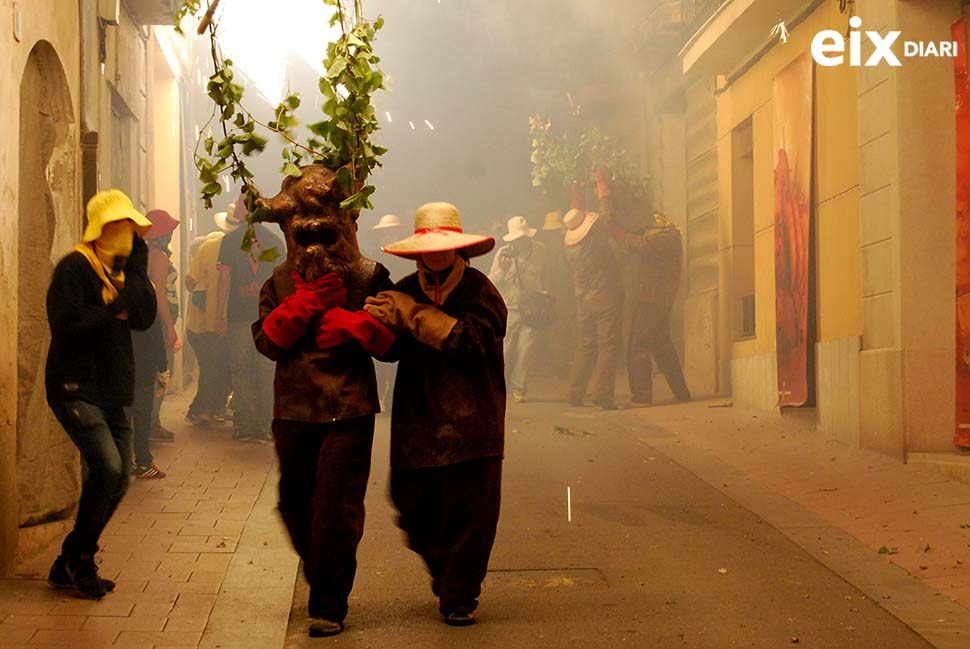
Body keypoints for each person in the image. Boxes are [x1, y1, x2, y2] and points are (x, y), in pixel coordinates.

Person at [251, 165, 396, 638]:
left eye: (327, 234)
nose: (316, 247)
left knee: (336, 507)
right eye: (305, 235)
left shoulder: (369, 276)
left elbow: (394, 345)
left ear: (346, 228)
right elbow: (268, 342)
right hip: (292, 409)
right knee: (294, 504)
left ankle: (329, 602)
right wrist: (304, 304)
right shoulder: (278, 281)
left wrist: (358, 327)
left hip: (349, 408)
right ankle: (323, 573)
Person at [365, 202, 507, 627]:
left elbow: (470, 342)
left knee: (473, 514)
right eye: (429, 248)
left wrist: (413, 315)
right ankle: (446, 574)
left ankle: (460, 595)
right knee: (411, 504)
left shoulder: (482, 290)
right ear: (418, 252)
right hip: (417, 419)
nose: (437, 254)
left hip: (475, 420)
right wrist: (373, 330)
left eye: (445, 247)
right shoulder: (406, 287)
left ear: (459, 249)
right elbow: (394, 353)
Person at [45, 189, 157, 598]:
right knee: (107, 467)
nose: (126, 234)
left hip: (113, 386)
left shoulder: (125, 272)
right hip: (73, 385)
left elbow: (144, 320)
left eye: (132, 227)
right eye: (119, 226)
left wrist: (139, 278)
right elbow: (66, 326)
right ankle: (82, 559)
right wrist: (113, 309)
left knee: (120, 478)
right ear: (101, 228)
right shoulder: (75, 268)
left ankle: (67, 559)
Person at [593, 168, 691, 405]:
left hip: (652, 296)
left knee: (637, 344)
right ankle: (681, 392)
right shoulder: (664, 232)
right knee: (661, 345)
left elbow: (636, 243)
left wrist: (616, 228)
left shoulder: (661, 237)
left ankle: (642, 395)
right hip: (660, 297)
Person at [217, 199, 283, 442]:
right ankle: (264, 424)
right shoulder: (275, 241)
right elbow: (280, 279)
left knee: (241, 368)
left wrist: (219, 316)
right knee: (266, 369)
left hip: (238, 315)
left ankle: (244, 423)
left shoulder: (230, 240)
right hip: (268, 315)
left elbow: (224, 279)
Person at [561, 207, 622, 409]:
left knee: (585, 346)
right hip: (604, 297)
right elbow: (614, 261)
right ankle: (603, 394)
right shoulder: (597, 245)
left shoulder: (570, 249)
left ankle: (574, 393)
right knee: (607, 345)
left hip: (583, 300)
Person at [184, 204, 236, 425]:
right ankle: (201, 409)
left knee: (212, 367)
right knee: (217, 367)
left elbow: (189, 280)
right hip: (230, 320)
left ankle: (211, 408)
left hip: (201, 322)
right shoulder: (248, 248)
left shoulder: (209, 246)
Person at [488, 215, 546, 402]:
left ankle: (519, 388)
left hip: (532, 308)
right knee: (505, 350)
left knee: (526, 349)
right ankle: (498, 386)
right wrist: (503, 269)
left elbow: (544, 274)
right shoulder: (504, 253)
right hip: (509, 307)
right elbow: (492, 282)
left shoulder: (540, 250)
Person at [144, 209, 181, 442]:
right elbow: (160, 295)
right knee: (162, 374)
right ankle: (151, 423)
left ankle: (150, 423)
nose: (171, 236)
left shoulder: (147, 254)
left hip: (154, 322)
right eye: (168, 232)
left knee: (155, 375)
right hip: (159, 323)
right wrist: (169, 326)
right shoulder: (158, 256)